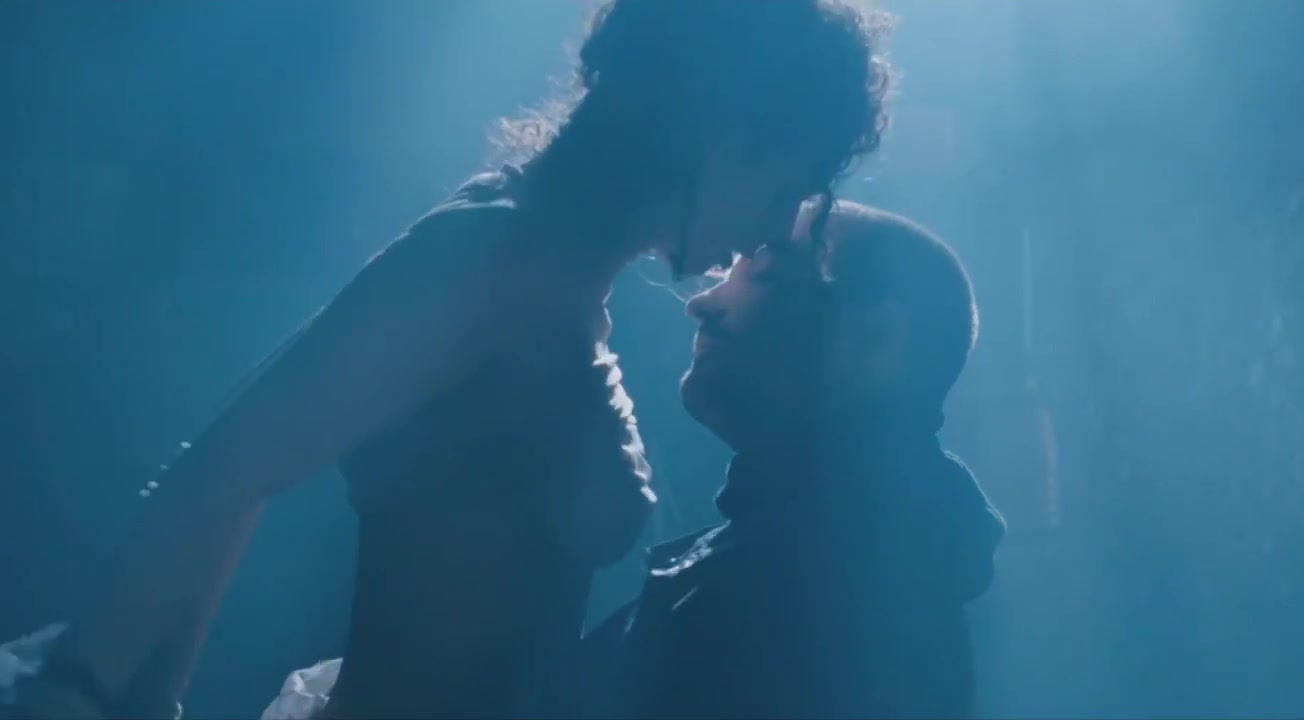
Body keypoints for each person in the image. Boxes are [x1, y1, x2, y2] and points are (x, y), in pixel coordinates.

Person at [2, 2, 893, 718]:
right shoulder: (502, 257)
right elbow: (219, 477)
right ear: (721, 130)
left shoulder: (554, 270)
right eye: (786, 188)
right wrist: (93, 690)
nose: (776, 230)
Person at [568, 201, 1006, 719]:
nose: (701, 303)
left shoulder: (831, 594)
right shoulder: (840, 561)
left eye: (766, 277)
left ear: (876, 339)